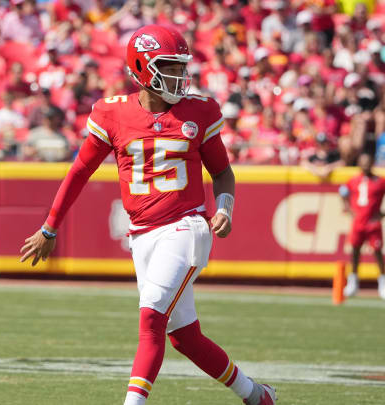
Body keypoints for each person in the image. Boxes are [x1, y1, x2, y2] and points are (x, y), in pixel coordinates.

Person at [19, 25, 276, 405]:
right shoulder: (113, 114)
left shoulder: (198, 112)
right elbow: (78, 172)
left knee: (150, 320)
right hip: (142, 235)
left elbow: (222, 171)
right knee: (183, 335)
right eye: (169, 67)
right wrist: (49, 228)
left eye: (180, 67)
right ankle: (256, 395)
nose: (179, 76)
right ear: (141, 68)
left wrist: (224, 208)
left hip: (186, 227)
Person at [339, 152, 385, 300]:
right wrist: (348, 209)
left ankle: (383, 284)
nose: (365, 165)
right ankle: (353, 282)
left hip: (373, 223)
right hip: (358, 223)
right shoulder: (353, 180)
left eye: (367, 162)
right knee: (354, 252)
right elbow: (343, 192)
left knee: (377, 253)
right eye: (362, 162)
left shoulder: (380, 181)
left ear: (372, 162)